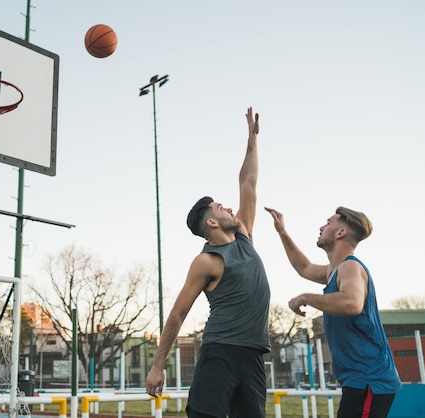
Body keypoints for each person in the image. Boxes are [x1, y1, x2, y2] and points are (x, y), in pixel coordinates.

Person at [145, 107, 271, 418]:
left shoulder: (245, 237)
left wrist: (251, 140)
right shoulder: (207, 261)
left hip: (254, 355)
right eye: (220, 207)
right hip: (221, 353)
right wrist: (158, 365)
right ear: (212, 222)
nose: (229, 207)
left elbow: (248, 181)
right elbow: (178, 313)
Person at [265, 206, 401, 418]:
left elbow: (352, 303)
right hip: (359, 380)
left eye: (328, 222)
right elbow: (304, 267)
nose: (321, 227)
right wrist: (282, 231)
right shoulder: (333, 271)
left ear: (341, 233)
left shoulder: (350, 267)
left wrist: (306, 297)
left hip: (370, 379)